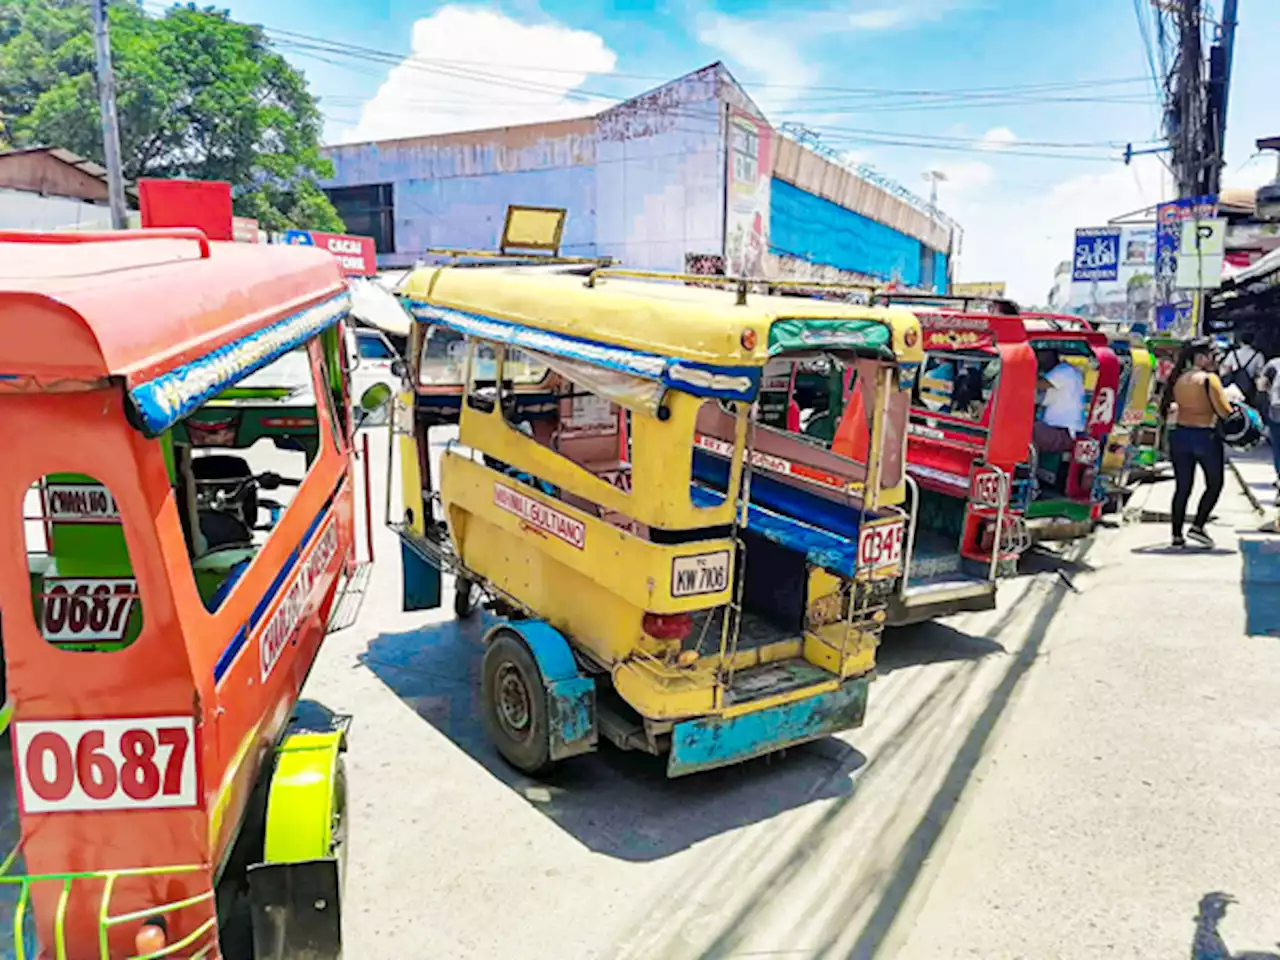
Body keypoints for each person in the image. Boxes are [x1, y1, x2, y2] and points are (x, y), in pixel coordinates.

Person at [1161, 337, 1233, 548]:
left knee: (1182, 487)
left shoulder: (1178, 378)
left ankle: (1176, 535)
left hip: (1180, 436)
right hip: (1205, 437)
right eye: (1212, 356)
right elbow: (1224, 411)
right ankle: (1198, 526)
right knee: (1215, 483)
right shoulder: (1210, 379)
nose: (1214, 360)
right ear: (1201, 357)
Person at [1032, 349, 1085, 454]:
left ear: (1050, 355)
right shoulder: (1058, 374)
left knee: (1021, 427)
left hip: (1061, 432)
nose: (1036, 359)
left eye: (1038, 355)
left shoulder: (1064, 370)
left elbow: (1036, 384)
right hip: (1054, 430)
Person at [1218, 331, 1264, 408]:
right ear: (1253, 341)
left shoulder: (1233, 354)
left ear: (1240, 342)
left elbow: (1225, 370)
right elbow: (1260, 374)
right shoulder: (1258, 356)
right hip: (1250, 388)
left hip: (1234, 386)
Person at [1257, 351, 1280, 489]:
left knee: (1278, 446)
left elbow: (1261, 385)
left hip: (1277, 410)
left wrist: (1268, 394)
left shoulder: (1274, 363)